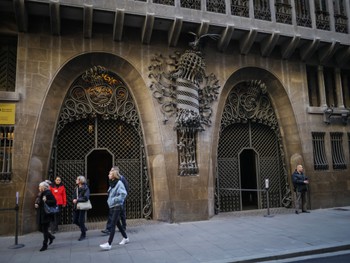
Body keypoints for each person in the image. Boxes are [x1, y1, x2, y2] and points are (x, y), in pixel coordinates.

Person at [100, 167, 129, 250]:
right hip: (112, 206)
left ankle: (109, 243)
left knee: (113, 224)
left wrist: (114, 200)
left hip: (117, 206)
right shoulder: (112, 183)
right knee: (117, 223)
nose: (108, 175)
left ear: (113, 175)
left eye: (110, 174)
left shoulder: (119, 183)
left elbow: (123, 194)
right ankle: (125, 238)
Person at [35, 181, 56, 251]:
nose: (39, 188)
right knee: (40, 229)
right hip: (41, 214)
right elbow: (39, 201)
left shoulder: (48, 193)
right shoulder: (41, 193)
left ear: (44, 187)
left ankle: (45, 245)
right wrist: (37, 204)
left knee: (44, 229)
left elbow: (54, 202)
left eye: (40, 186)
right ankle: (51, 237)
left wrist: (46, 201)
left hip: (46, 214)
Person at [73, 175, 90, 241]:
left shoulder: (86, 188)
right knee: (75, 220)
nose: (76, 180)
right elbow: (74, 195)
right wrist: (74, 199)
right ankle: (84, 228)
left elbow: (86, 198)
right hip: (76, 206)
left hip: (82, 206)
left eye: (77, 179)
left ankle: (83, 234)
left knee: (81, 220)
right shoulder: (76, 188)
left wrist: (77, 200)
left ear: (80, 181)